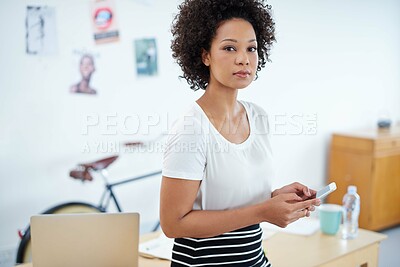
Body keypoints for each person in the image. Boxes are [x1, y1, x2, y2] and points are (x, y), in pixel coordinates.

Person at [160, 0, 321, 266]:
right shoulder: (191, 129)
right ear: (205, 55)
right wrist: (262, 211)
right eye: (229, 47)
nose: (243, 58)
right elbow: (173, 223)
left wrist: (276, 199)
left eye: (251, 48)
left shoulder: (258, 117)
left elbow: (233, 200)